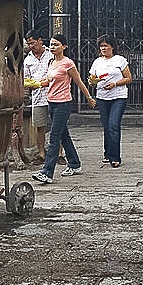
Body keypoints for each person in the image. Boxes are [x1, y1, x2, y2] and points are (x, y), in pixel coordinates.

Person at [32, 35, 96, 184]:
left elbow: (79, 82)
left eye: (56, 44)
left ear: (64, 47)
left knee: (54, 137)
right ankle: (74, 164)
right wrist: (37, 84)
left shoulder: (68, 64)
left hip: (63, 104)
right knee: (63, 135)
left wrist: (89, 98)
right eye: (51, 44)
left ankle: (47, 172)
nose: (52, 47)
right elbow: (49, 81)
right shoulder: (51, 62)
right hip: (52, 103)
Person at [90, 36, 132, 167]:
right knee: (106, 126)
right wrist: (92, 82)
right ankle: (107, 154)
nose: (103, 48)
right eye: (101, 46)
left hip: (118, 96)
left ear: (112, 47)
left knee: (114, 125)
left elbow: (128, 78)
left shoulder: (120, 60)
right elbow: (92, 79)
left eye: (106, 46)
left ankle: (115, 157)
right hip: (102, 97)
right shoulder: (97, 62)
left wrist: (115, 83)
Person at [23, 31, 51, 164]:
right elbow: (26, 79)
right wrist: (34, 84)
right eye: (28, 44)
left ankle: (59, 153)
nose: (30, 46)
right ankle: (41, 153)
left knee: (58, 125)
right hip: (38, 97)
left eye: (32, 43)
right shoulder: (28, 59)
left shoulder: (51, 54)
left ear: (40, 40)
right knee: (40, 126)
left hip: (53, 95)